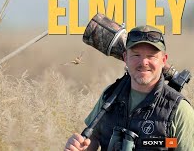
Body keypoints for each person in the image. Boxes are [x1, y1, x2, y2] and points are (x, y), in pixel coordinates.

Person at [64, 25, 194, 151]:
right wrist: (81, 147)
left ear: (163, 60)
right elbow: (94, 138)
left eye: (151, 56)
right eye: (136, 55)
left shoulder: (179, 110)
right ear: (125, 57)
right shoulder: (111, 95)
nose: (143, 62)